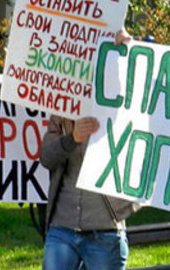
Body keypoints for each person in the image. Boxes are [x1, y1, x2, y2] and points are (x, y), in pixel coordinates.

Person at [39, 29, 138, 270]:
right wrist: (72, 138)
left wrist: (130, 51)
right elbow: (46, 158)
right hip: (62, 228)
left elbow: (141, 84)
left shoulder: (127, 107)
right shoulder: (63, 109)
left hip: (105, 230)